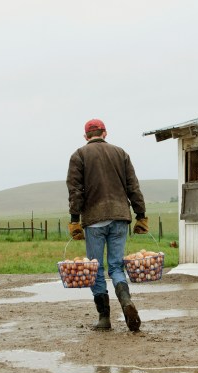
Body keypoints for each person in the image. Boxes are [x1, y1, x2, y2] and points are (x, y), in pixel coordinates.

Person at [66, 118, 148, 332]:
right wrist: (141, 215)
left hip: (94, 220)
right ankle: (126, 301)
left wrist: (74, 219)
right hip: (120, 216)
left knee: (95, 268)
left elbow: (75, 191)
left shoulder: (79, 155)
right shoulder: (121, 153)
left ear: (85, 136)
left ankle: (104, 318)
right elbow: (133, 186)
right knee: (116, 266)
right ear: (105, 133)